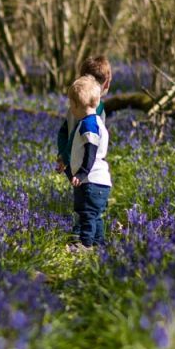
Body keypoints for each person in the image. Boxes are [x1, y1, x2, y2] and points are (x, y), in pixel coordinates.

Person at [64, 76, 111, 248]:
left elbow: (90, 151)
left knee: (87, 215)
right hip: (100, 182)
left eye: (71, 104)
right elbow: (81, 151)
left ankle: (85, 246)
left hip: (91, 181)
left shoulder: (88, 125)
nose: (70, 108)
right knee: (95, 216)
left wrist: (82, 172)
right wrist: (67, 167)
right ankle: (99, 246)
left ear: (76, 106)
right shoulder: (94, 122)